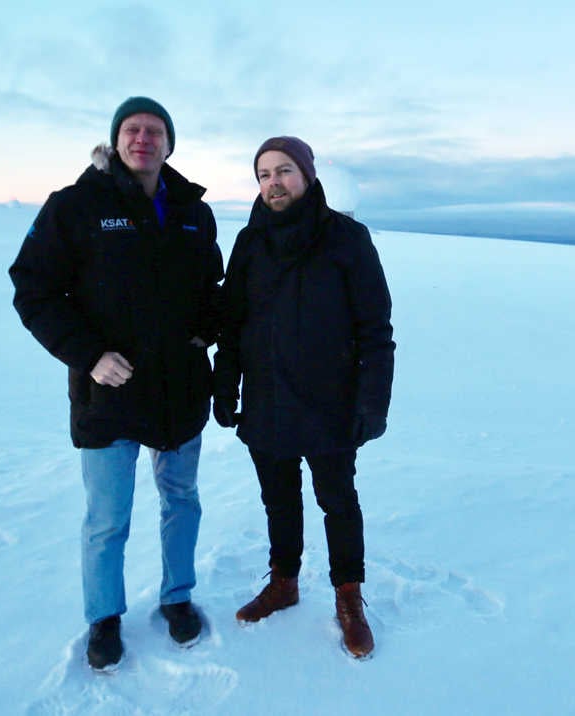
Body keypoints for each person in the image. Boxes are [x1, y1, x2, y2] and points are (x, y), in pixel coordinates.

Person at [8, 97, 223, 671]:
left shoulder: (192, 212)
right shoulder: (75, 206)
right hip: (108, 392)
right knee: (108, 518)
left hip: (178, 390)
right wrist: (87, 354)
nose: (143, 139)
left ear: (170, 144)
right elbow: (32, 288)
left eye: (155, 131)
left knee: (181, 500)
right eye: (133, 129)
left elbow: (212, 286)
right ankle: (104, 617)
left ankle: (177, 598)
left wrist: (206, 330)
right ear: (116, 139)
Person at [212, 136, 394, 658]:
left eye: (284, 170)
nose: (274, 182)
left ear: (308, 175)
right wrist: (225, 385)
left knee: (338, 502)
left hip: (330, 403)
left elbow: (376, 331)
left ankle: (348, 596)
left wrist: (371, 404)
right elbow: (233, 324)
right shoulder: (250, 243)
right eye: (264, 174)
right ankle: (285, 582)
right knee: (279, 500)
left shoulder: (346, 239)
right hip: (267, 400)